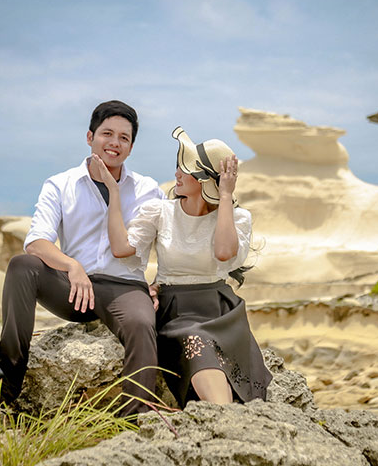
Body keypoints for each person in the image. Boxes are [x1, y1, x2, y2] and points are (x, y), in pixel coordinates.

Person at [0, 100, 166, 416]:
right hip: (74, 289)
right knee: (22, 265)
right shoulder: (60, 184)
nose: (114, 142)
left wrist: (158, 283)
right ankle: (8, 372)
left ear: (131, 147)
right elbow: (36, 242)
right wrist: (72, 265)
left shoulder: (148, 189)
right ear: (90, 137)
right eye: (107, 133)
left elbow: (168, 243)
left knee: (140, 323)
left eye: (124, 137)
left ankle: (135, 415)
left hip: (125, 287)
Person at [91, 126, 272, 408]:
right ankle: (226, 417)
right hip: (176, 310)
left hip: (220, 309)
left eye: (184, 168)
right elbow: (122, 248)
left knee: (217, 360)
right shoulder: (160, 212)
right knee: (195, 341)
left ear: (205, 179)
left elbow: (224, 253)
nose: (176, 173)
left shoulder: (237, 218)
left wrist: (225, 196)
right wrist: (113, 192)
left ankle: (228, 418)